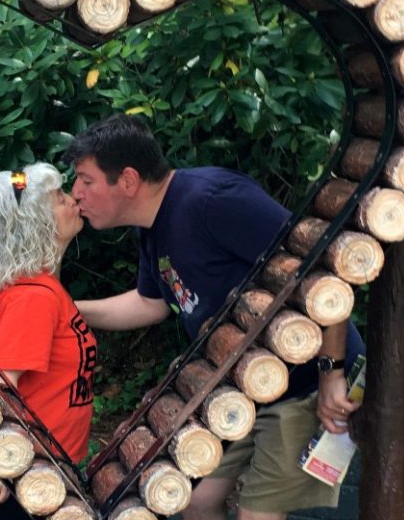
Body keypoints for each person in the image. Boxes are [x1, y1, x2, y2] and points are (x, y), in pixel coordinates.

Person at [63, 114, 364, 520]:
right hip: (242, 386)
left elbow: (319, 276)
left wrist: (332, 374)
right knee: (196, 501)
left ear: (129, 180)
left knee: (257, 515)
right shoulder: (150, 227)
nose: (75, 193)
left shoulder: (214, 201)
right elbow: (150, 303)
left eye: (85, 180)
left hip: (308, 380)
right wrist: (65, 311)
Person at [0, 162, 97, 520]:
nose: (73, 199)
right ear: (38, 224)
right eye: (60, 198)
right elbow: (4, 383)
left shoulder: (44, 290)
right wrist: (2, 459)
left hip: (26, 461)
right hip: (3, 466)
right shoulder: (34, 297)